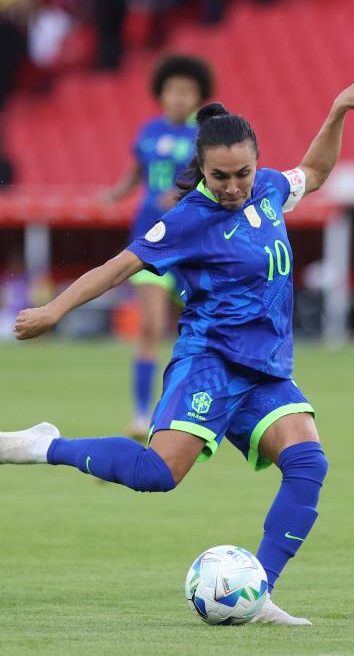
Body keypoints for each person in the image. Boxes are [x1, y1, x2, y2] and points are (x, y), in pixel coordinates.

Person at [0, 79, 354, 625]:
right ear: (202, 169)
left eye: (242, 173)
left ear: (255, 163)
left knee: (308, 463)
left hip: (265, 370)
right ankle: (45, 446)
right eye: (221, 177)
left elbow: (314, 172)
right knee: (157, 473)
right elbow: (117, 267)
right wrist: (54, 309)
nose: (235, 186)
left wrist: (336, 110)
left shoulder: (266, 189)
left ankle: (258, 594)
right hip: (210, 364)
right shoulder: (188, 219)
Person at [101, 54, 213, 438]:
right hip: (151, 242)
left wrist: (183, 194)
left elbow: (214, 181)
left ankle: (197, 405)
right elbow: (137, 171)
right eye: (173, 91)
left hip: (193, 246)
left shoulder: (206, 135)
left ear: (198, 97)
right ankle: (139, 413)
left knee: (201, 327)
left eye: (188, 92)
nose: (180, 98)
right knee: (149, 327)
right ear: (161, 95)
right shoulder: (148, 131)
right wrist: (117, 192)